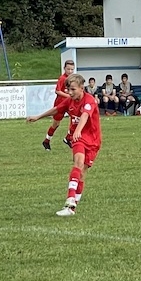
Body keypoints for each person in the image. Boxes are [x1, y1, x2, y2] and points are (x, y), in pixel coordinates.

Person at [27, 73, 102, 216]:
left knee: (82, 173)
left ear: (81, 88)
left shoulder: (89, 100)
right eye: (68, 89)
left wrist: (78, 129)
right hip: (78, 138)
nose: (70, 92)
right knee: (78, 163)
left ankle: (71, 209)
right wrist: (38, 117)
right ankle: (70, 199)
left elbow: (85, 115)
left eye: (73, 89)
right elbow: (56, 109)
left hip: (93, 140)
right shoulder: (70, 101)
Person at [41, 59, 75, 149]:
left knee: (75, 119)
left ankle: (68, 138)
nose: (70, 71)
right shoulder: (62, 78)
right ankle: (46, 141)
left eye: (72, 69)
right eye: (68, 69)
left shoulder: (73, 79)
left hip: (70, 104)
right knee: (56, 124)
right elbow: (57, 91)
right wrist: (68, 96)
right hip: (60, 104)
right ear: (64, 68)